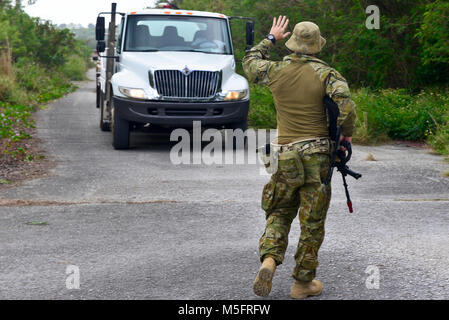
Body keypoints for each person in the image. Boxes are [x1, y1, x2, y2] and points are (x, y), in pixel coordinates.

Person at [243, 16, 356, 299]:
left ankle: (269, 260)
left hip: (282, 155)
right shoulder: (328, 74)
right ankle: (302, 283)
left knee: (279, 212)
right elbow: (347, 108)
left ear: (292, 43)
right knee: (311, 222)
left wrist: (271, 37)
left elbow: (250, 63)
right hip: (315, 156)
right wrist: (346, 137)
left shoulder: (275, 71)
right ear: (317, 45)